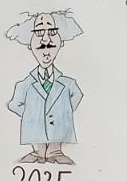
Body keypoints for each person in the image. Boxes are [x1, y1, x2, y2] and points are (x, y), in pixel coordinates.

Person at [6, 9, 85, 165]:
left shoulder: (68, 84)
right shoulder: (24, 85)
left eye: (52, 31)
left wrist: (62, 111)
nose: (45, 39)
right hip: (35, 141)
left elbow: (77, 96)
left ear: (61, 41)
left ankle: (55, 149)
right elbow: (14, 104)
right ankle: (38, 150)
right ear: (29, 44)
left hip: (59, 142)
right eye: (39, 32)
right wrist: (33, 115)